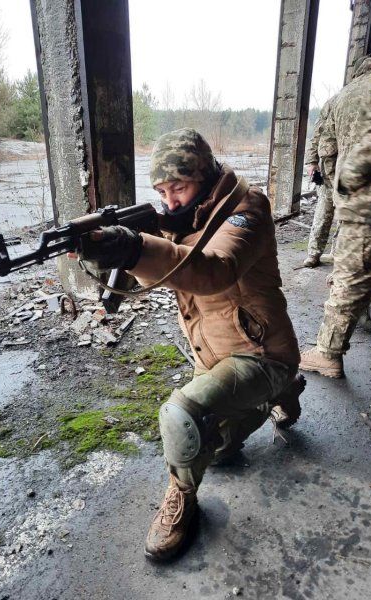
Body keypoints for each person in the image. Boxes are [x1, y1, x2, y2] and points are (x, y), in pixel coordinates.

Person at [77, 128, 305, 561]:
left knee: (182, 414)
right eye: (162, 192)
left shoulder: (248, 208)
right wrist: (114, 250)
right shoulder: (182, 218)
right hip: (213, 355)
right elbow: (159, 272)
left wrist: (137, 248)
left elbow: (216, 269)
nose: (170, 201)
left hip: (263, 354)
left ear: (206, 176)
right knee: (214, 452)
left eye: (178, 188)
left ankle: (181, 500)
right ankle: (278, 396)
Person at [300, 32, 371, 379]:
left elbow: (331, 144)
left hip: (370, 198)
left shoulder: (347, 94)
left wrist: (345, 179)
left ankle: (328, 352)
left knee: (351, 275)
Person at [303, 95, 338, 268]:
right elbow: (317, 133)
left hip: (354, 167)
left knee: (347, 213)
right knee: (324, 211)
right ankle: (314, 253)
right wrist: (311, 161)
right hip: (329, 167)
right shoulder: (334, 101)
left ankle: (337, 253)